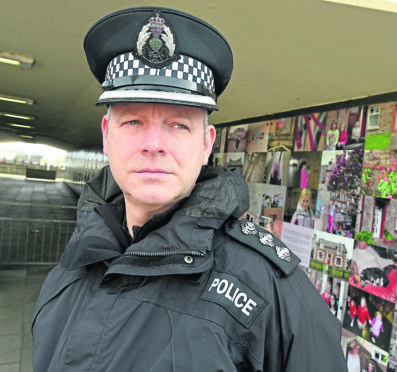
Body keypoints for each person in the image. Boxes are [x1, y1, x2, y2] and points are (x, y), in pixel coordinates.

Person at [31, 7, 348, 371]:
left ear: (206, 143)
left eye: (179, 125)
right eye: (133, 120)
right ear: (106, 136)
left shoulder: (269, 289)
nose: (154, 144)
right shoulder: (77, 261)